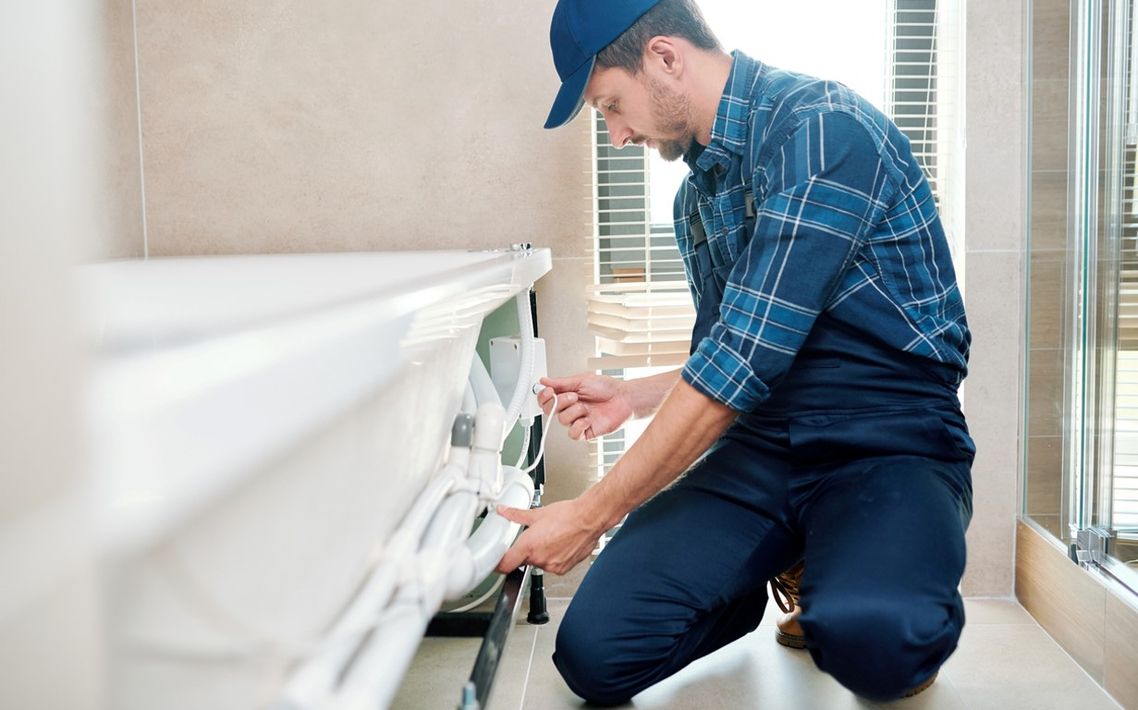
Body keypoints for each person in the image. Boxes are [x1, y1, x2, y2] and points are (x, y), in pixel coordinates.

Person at [494, 0, 975, 704]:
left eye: (610, 106)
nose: (619, 134)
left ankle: (855, 570)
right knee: (594, 655)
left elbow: (737, 369)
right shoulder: (698, 200)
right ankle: (778, 561)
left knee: (874, 640)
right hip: (764, 449)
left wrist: (592, 513)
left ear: (664, 57)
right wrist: (633, 396)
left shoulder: (822, 131)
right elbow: (733, 354)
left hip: (887, 441)